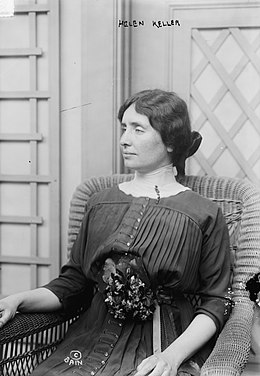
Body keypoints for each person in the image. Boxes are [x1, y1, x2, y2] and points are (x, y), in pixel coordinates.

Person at [0, 89, 231, 376]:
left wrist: (171, 357)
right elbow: (73, 284)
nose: (124, 139)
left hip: (161, 345)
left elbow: (217, 300)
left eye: (138, 130)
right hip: (88, 340)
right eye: (124, 128)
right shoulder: (99, 202)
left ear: (170, 141)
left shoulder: (203, 213)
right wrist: (16, 300)